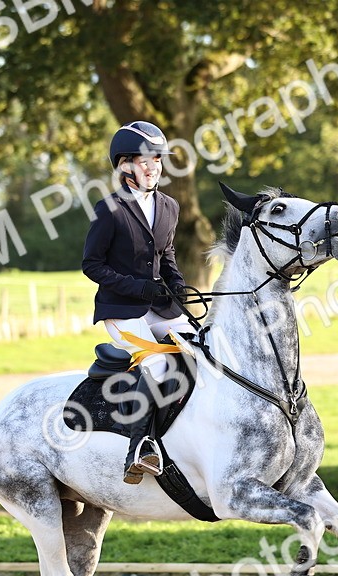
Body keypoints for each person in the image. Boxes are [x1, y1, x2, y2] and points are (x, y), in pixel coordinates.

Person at [81, 121, 196, 484]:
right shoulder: (109, 209)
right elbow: (92, 265)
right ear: (125, 166)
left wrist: (178, 289)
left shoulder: (170, 206)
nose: (154, 167)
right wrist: (139, 288)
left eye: (158, 160)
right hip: (120, 309)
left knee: (203, 349)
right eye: (146, 161)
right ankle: (140, 448)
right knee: (160, 365)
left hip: (160, 307)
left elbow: (168, 256)